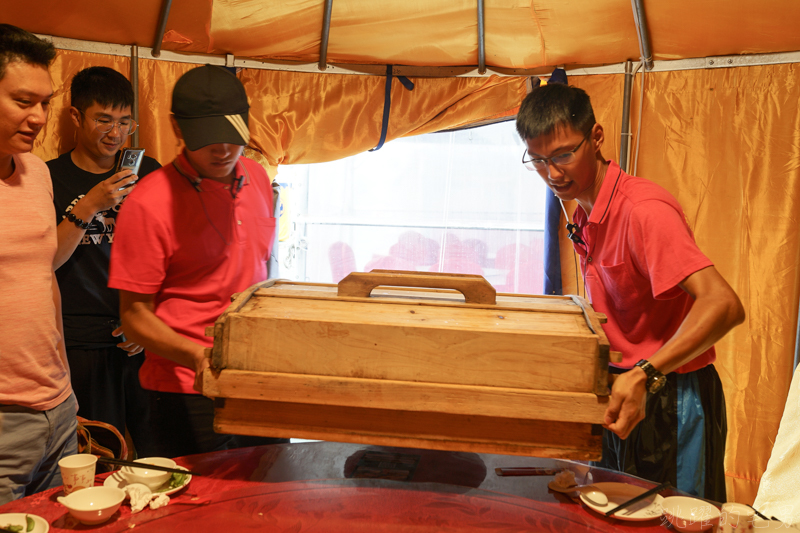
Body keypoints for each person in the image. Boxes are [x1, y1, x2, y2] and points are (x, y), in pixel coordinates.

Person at [515, 83, 745, 501]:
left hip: (673, 395)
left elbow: (724, 304)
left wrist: (646, 373)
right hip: (627, 387)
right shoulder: (583, 209)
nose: (552, 173)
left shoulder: (643, 210)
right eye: (539, 160)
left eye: (564, 154)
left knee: (674, 518)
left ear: (597, 137)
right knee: (615, 512)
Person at [108, 65, 287, 457]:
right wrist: (196, 356)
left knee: (272, 490)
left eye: (231, 136)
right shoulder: (149, 202)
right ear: (177, 128)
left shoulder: (256, 177)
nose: (222, 150)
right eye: (207, 139)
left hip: (255, 375)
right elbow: (134, 317)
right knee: (204, 507)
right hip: (185, 387)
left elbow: (260, 270)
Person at [48, 66, 161, 457]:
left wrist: (147, 324)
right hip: (82, 343)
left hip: (145, 336)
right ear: (77, 117)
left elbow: (173, 259)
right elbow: (47, 262)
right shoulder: (49, 178)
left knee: (161, 456)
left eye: (125, 122)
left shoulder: (149, 173)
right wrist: (91, 204)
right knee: (98, 459)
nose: (116, 134)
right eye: (104, 120)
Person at [0, 24, 77, 504]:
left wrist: (64, 381)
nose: (39, 117)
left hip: (59, 408)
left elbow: (44, 275)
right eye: (23, 101)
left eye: (45, 103)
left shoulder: (37, 173)